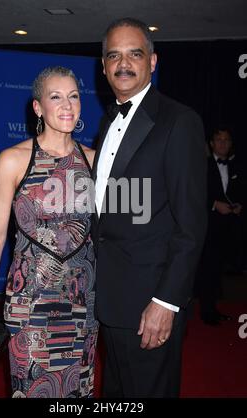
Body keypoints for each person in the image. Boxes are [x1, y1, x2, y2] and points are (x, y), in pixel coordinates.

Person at [92, 18, 207, 397]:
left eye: (134, 54)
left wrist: (166, 301)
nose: (123, 64)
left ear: (153, 62)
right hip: (110, 299)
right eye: (114, 56)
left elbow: (191, 225)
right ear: (104, 65)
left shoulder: (179, 121)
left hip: (149, 303)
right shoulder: (107, 121)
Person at [0, 66, 99, 398]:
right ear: (38, 107)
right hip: (30, 303)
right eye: (56, 97)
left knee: (77, 394)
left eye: (74, 96)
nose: (67, 106)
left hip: (82, 303)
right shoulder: (13, 161)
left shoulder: (95, 162)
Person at [196, 127, 244, 325]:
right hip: (207, 227)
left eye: (227, 140)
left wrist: (239, 204)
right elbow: (194, 193)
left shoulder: (237, 166)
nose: (223, 143)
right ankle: (206, 311)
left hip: (229, 228)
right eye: (219, 139)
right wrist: (215, 205)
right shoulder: (202, 165)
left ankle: (213, 308)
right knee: (207, 269)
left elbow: (240, 191)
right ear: (212, 143)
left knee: (218, 271)